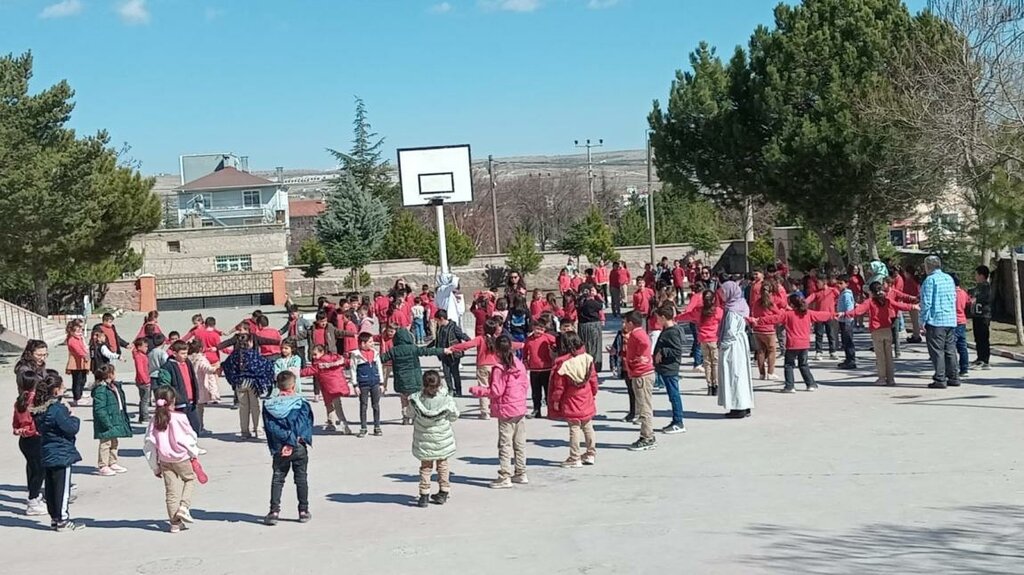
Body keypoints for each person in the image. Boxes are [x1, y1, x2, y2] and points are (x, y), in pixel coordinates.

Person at [470, 336, 530, 488]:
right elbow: (525, 383)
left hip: (506, 409)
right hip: (519, 407)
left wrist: (478, 390)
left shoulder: (499, 368)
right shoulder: (518, 363)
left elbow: (496, 391)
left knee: (504, 444)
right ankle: (521, 472)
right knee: (519, 442)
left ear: (496, 350)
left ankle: (505, 476)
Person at [30, 370, 84, 531]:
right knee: (62, 487)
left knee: (51, 487)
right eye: (62, 387)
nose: (64, 389)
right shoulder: (57, 410)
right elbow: (71, 428)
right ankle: (63, 519)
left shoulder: (39, 410)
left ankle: (54, 517)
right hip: (61, 451)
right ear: (55, 390)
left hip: (47, 450)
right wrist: (72, 415)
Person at [143, 386, 201, 533]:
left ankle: (175, 523)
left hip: (164, 459)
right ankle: (184, 506)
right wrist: (194, 452)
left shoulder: (154, 420)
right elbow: (189, 437)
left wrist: (154, 466)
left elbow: (149, 444)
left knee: (171, 491)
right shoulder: (180, 418)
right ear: (173, 400)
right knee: (189, 479)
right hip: (181, 458)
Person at [752, 294, 836, 393]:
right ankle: (810, 384)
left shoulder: (788, 314)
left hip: (792, 344)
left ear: (791, 304)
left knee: (789, 365)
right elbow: (821, 315)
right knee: (803, 364)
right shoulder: (808, 313)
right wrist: (833, 314)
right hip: (804, 344)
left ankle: (790, 386)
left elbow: (773, 318)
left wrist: (759, 320)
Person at [262, 371, 314, 525]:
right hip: (298, 446)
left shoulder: (269, 405)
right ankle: (303, 511)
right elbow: (303, 425)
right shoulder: (302, 403)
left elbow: (271, 427)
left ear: (278, 386)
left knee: (278, 478)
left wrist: (285, 443)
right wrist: (292, 442)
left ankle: (274, 511)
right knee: (301, 478)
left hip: (279, 447)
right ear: (293, 385)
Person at [844, 281, 918, 386]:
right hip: (887, 330)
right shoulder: (887, 300)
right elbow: (899, 305)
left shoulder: (869, 302)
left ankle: (882, 378)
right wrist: (913, 307)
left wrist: (845, 314)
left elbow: (858, 312)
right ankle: (891, 379)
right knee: (889, 356)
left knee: (880, 356)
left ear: (871, 291)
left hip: (877, 331)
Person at [447, 318, 519, 420]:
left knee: (484, 388)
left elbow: (467, 345)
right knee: (496, 389)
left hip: (483, 366)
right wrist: (523, 344)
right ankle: (496, 409)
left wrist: (453, 348)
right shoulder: (498, 339)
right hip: (496, 366)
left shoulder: (480, 339)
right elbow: (511, 345)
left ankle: (485, 412)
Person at [407, 370, 459, 507]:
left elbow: (410, 413)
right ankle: (443, 492)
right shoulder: (446, 399)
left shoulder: (417, 400)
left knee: (425, 468)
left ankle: (424, 494)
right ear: (440, 384)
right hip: (442, 439)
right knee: (443, 466)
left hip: (424, 440)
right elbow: (454, 416)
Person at [548, 331, 599, 467]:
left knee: (574, 428)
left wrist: (556, 401)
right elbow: (593, 379)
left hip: (571, 398)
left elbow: (559, 387)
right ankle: (590, 453)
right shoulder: (587, 358)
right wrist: (593, 392)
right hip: (586, 395)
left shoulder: (563, 364)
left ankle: (574, 456)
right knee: (588, 426)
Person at [380, 329, 446, 425]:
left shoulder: (393, 351)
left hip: (401, 380)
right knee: (416, 400)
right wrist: (443, 350)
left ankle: (405, 417)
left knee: (404, 400)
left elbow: (382, 358)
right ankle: (415, 417)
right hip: (414, 380)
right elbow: (427, 351)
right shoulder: (413, 348)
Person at [920, 255, 960, 389]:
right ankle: (954, 376)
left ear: (928, 266)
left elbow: (926, 302)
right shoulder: (949, 278)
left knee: (937, 351)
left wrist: (922, 321)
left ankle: (940, 378)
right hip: (950, 319)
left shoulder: (930, 280)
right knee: (950, 350)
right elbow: (954, 297)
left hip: (936, 320)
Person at [675, 289, 723, 396]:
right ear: (714, 299)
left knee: (706, 363)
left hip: (702, 339)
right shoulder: (718, 311)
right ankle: (716, 385)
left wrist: (676, 318)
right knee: (715, 362)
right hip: (714, 339)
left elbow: (686, 316)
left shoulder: (698, 311)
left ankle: (709, 385)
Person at [718, 281, 754, 418]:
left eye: (723, 292)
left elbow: (730, 331)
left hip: (733, 346)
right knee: (741, 375)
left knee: (734, 375)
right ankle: (744, 405)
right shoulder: (741, 304)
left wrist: (723, 345)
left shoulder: (732, 311)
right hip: (740, 342)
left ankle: (738, 407)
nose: (721, 295)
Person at [13, 370, 46, 516]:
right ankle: (33, 500)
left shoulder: (20, 399)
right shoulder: (33, 400)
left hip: (25, 441)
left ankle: (35, 494)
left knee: (32, 468)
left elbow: (16, 421)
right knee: (39, 470)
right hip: (34, 438)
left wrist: (18, 429)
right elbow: (32, 421)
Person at [623, 311, 657, 451]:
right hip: (639, 373)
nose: (624, 325)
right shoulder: (637, 333)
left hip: (642, 374)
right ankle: (647, 435)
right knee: (643, 405)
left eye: (625, 322)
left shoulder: (637, 334)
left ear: (631, 323)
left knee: (644, 407)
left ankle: (647, 437)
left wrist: (641, 357)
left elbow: (644, 344)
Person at [300, 345, 352, 434]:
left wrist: (296, 372)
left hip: (327, 388)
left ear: (322, 352)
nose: (313, 357)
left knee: (330, 405)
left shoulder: (318, 365)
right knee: (336, 406)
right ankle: (334, 423)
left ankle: (341, 425)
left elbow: (307, 371)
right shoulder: (335, 358)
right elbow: (347, 361)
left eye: (315, 354)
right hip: (337, 387)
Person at [91, 364, 132, 476]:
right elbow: (99, 409)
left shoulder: (113, 386)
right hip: (107, 421)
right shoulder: (101, 389)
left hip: (115, 418)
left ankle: (112, 462)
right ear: (109, 374)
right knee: (105, 443)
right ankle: (103, 465)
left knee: (114, 442)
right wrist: (106, 422)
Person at [652, 304, 686, 434]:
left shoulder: (672, 332)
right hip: (665, 368)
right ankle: (675, 420)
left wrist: (663, 352)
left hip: (670, 368)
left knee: (674, 395)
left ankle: (679, 421)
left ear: (663, 317)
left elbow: (677, 350)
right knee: (672, 395)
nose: (657, 321)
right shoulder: (667, 330)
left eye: (658, 318)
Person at [157, 340, 203, 435]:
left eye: (186, 353)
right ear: (174, 353)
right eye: (182, 353)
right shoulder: (167, 367)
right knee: (180, 431)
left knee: (195, 428)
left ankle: (191, 446)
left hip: (191, 402)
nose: (185, 355)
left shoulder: (187, 362)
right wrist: (171, 401)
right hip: (178, 404)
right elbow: (165, 386)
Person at [349, 333, 384, 437]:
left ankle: (377, 426)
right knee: (363, 406)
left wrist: (381, 383)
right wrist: (355, 385)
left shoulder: (375, 353)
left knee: (376, 405)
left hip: (375, 383)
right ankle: (363, 427)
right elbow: (353, 370)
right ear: (363, 343)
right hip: (363, 384)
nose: (372, 343)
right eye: (370, 342)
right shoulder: (356, 355)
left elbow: (379, 368)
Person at [522, 319, 556, 419]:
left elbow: (556, 345)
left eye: (541, 329)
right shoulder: (529, 340)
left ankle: (551, 411)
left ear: (545, 330)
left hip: (547, 368)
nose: (539, 331)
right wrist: (525, 362)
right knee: (536, 393)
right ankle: (537, 410)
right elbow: (524, 352)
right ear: (533, 328)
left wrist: (553, 348)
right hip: (534, 370)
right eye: (537, 329)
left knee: (548, 391)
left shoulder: (548, 338)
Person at [434, 309, 470, 396]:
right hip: (444, 354)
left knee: (455, 373)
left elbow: (461, 335)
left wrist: (470, 341)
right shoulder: (440, 328)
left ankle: (458, 390)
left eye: (437, 321)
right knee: (446, 374)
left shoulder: (453, 327)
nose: (437, 323)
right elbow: (437, 340)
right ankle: (450, 389)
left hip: (453, 354)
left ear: (442, 318)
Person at [576, 285, 605, 373]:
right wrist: (597, 296)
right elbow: (600, 306)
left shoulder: (579, 301)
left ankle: (585, 364)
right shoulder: (591, 302)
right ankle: (595, 365)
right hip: (593, 325)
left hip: (582, 325)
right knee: (594, 346)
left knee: (585, 345)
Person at [971, 265, 992, 369]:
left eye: (976, 274)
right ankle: (980, 358)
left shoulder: (986, 287)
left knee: (983, 338)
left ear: (982, 275)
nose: (975, 276)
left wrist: (975, 299)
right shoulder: (977, 287)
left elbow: (984, 299)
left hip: (984, 315)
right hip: (976, 315)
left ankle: (985, 360)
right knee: (977, 338)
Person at [65, 321, 90, 406]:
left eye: (80, 330)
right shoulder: (71, 340)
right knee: (77, 381)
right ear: (71, 332)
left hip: (81, 362)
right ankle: (77, 398)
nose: (79, 332)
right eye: (77, 331)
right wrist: (85, 355)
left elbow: (84, 347)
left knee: (83, 379)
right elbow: (78, 350)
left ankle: (81, 394)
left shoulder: (79, 338)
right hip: (75, 363)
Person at [836, 275, 858, 369]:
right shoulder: (842, 293)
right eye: (838, 283)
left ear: (847, 284)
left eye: (841, 283)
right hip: (842, 320)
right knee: (845, 341)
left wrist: (844, 314)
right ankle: (847, 358)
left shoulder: (846, 294)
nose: (839, 285)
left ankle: (851, 360)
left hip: (847, 321)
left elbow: (849, 307)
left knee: (848, 341)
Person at [952, 274, 972, 379]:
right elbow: (968, 302)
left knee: (951, 347)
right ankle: (964, 368)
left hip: (953, 321)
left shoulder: (952, 294)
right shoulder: (963, 292)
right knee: (962, 346)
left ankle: (953, 369)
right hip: (962, 320)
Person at [132, 338, 153, 423]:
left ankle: (142, 416)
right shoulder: (139, 356)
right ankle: (144, 416)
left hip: (141, 380)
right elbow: (140, 370)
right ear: (139, 347)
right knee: (145, 400)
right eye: (145, 346)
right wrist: (146, 380)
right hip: (143, 381)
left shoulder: (140, 355)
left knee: (143, 399)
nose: (147, 348)